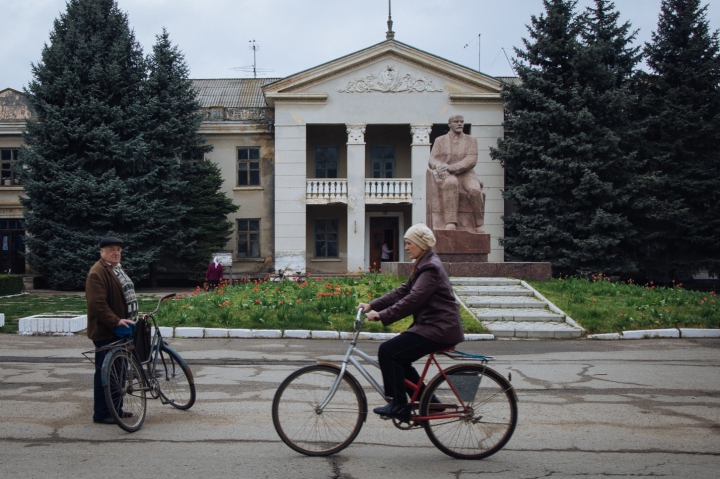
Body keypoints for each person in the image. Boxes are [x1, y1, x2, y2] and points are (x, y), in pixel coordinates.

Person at [358, 223, 464, 422]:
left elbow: (413, 300)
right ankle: (430, 403)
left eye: (409, 243)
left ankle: (399, 405)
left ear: (420, 244)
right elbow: (402, 291)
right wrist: (372, 305)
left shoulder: (430, 267)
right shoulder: (425, 263)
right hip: (433, 326)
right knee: (400, 359)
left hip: (439, 329)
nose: (406, 247)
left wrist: (382, 315)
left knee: (388, 352)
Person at [86, 236, 138, 424]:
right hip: (107, 331)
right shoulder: (97, 273)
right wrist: (115, 321)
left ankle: (116, 409)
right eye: (111, 250)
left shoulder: (116, 269)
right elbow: (97, 304)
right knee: (105, 374)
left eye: (118, 249)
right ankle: (102, 413)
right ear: (101, 252)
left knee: (119, 372)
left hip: (121, 329)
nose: (115, 253)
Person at [429, 114, 485, 232]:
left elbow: (471, 160)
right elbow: (432, 159)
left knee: (475, 190)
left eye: (461, 121)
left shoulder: (471, 140)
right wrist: (438, 166)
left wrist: (452, 167)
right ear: (449, 124)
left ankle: (478, 223)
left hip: (466, 173)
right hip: (447, 174)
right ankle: (450, 222)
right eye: (456, 121)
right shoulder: (440, 140)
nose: (460, 124)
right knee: (451, 183)